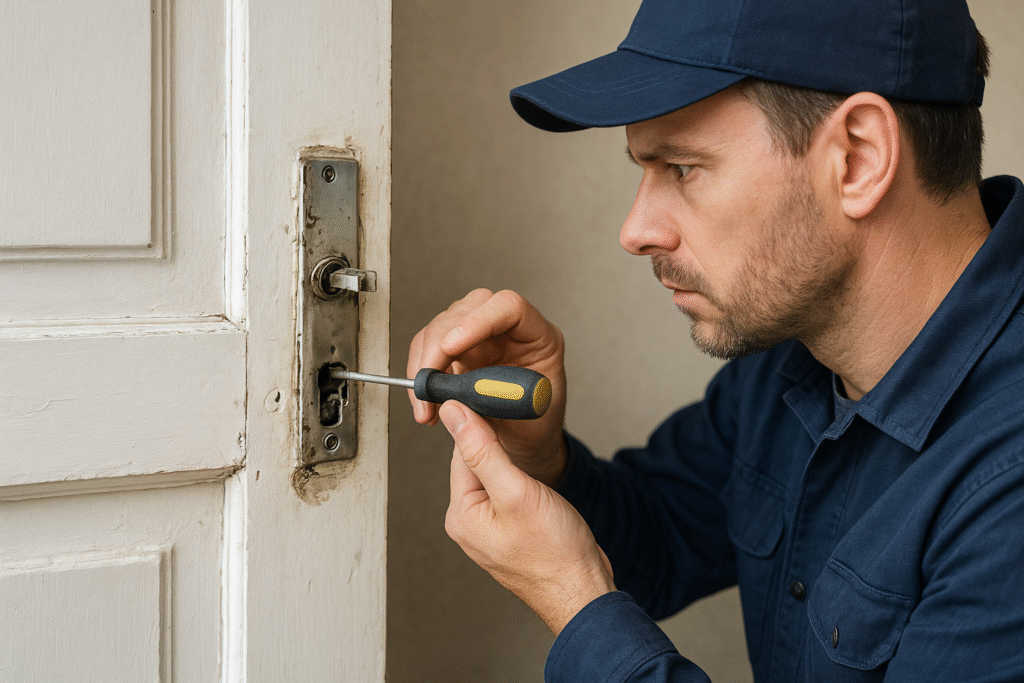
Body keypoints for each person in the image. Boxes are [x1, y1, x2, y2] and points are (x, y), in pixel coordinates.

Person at [407, 0, 1024, 680]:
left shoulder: (1009, 484)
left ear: (857, 158)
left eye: (682, 168)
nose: (636, 229)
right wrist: (543, 458)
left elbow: (593, 587)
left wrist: (574, 602)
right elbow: (662, 538)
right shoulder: (791, 363)